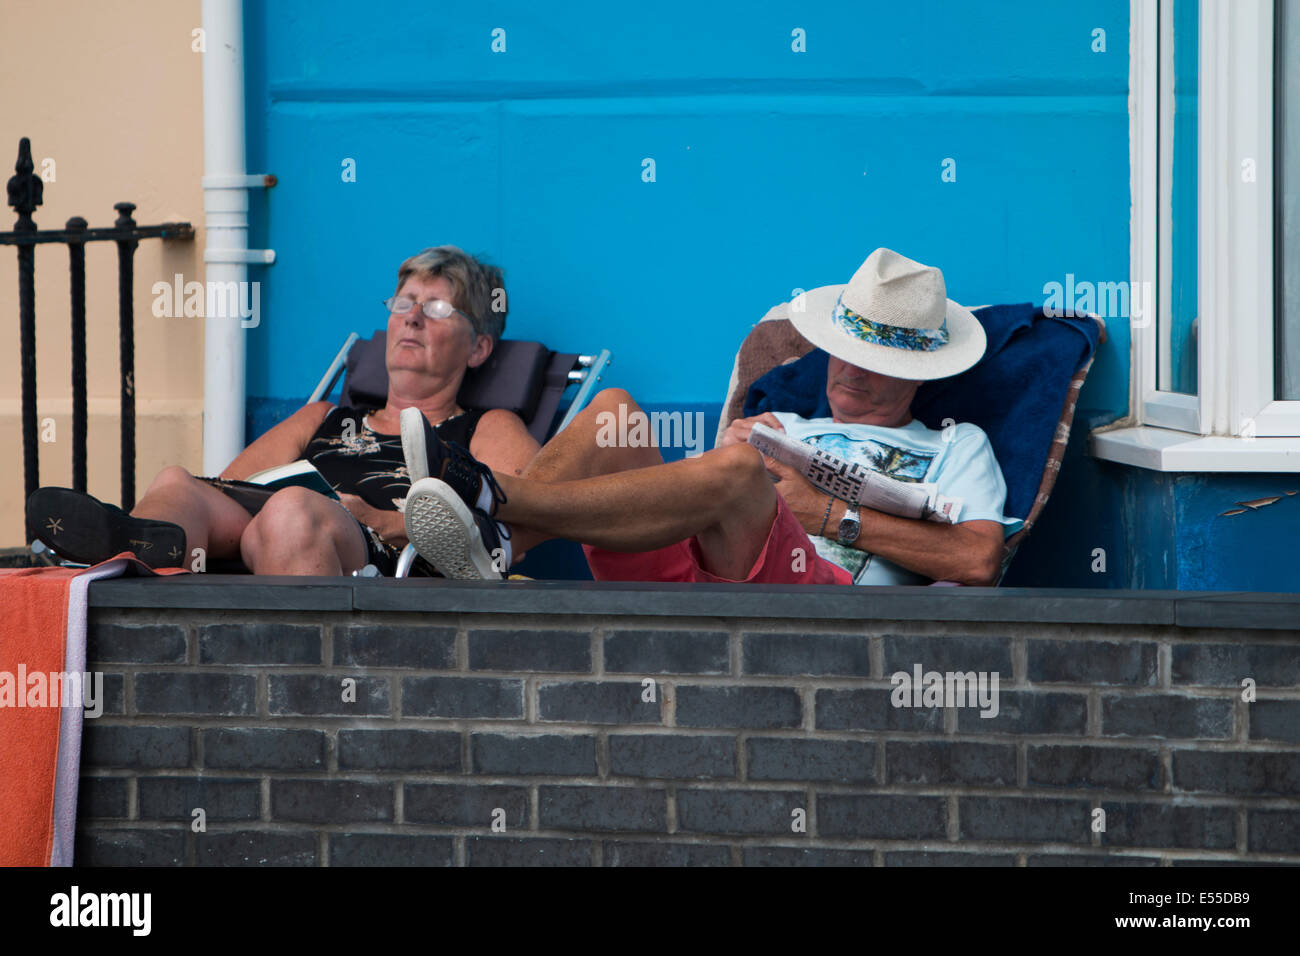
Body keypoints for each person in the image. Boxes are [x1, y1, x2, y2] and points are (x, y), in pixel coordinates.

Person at [400, 247, 1023, 587]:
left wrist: (827, 513)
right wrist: (720, 460)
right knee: (616, 412)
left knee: (740, 474)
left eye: (873, 360)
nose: (847, 370)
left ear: (918, 374)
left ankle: (492, 497)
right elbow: (682, 496)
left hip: (818, 600)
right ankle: (498, 542)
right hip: (703, 558)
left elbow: (977, 562)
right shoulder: (781, 423)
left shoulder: (957, 445)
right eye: (841, 351)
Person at [26, 246, 539, 575]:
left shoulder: (488, 427)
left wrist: (382, 518)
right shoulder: (322, 417)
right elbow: (225, 487)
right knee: (180, 484)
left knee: (293, 511)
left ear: (478, 350)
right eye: (404, 302)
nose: (412, 320)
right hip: (272, 531)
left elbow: (515, 526)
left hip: (377, 556)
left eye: (438, 308)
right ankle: (128, 554)